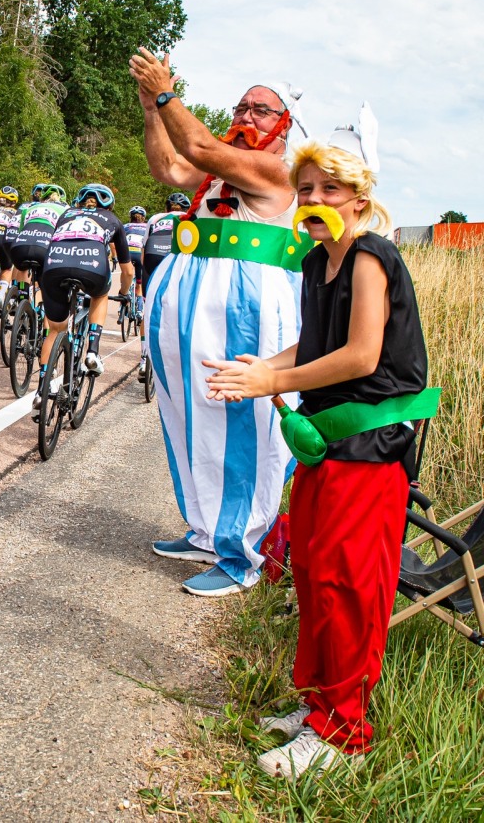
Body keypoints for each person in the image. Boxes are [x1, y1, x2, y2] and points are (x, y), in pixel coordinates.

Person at [204, 109, 427, 776]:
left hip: (368, 446)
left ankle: (344, 736)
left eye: (329, 190)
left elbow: (360, 356)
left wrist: (275, 378)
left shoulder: (369, 254)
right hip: (326, 444)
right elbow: (314, 346)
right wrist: (261, 368)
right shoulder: (315, 262)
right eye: (305, 190)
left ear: (357, 199)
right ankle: (320, 706)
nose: (314, 201)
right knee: (314, 575)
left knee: (350, 586)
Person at [130, 46, 306, 597]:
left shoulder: (278, 170)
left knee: (245, 427)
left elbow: (198, 145)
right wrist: (149, 107)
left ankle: (243, 554)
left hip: (245, 311)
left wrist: (165, 94)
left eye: (259, 109)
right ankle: (208, 530)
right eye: (241, 107)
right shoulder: (218, 172)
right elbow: (170, 166)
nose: (244, 116)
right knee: (191, 419)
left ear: (285, 126)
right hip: (192, 305)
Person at [30, 183, 128, 415]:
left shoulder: (66, 214)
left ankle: (42, 388)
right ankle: (93, 352)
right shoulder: (112, 219)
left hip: (54, 266)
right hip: (92, 266)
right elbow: (127, 270)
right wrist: (124, 293)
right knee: (100, 295)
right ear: (108, 204)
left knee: (55, 329)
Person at [136, 191, 190, 379]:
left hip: (152, 255)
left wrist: (144, 276)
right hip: (176, 256)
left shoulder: (156, 218)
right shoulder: (191, 217)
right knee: (179, 306)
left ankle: (143, 360)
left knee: (148, 307)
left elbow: (144, 248)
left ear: (167, 208)